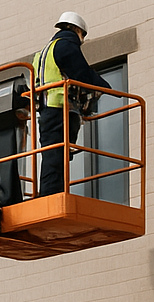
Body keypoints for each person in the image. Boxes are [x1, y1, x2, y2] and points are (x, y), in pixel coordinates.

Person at [34, 12, 108, 196]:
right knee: (57, 155)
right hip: (59, 107)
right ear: (76, 30)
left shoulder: (43, 52)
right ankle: (51, 195)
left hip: (45, 109)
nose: (81, 40)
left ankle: (50, 193)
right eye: (82, 35)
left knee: (52, 154)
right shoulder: (66, 46)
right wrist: (103, 86)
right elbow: (81, 73)